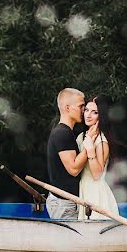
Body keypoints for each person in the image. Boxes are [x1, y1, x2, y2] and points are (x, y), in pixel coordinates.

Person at [46, 88, 90, 220]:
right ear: (67, 108)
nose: (84, 110)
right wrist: (90, 143)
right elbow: (74, 169)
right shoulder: (62, 133)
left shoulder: (66, 132)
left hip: (65, 202)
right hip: (64, 203)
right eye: (81, 106)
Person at [76, 95, 120, 220]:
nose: (88, 115)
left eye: (94, 112)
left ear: (102, 117)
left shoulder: (100, 140)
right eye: (87, 110)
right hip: (85, 189)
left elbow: (97, 175)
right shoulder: (82, 136)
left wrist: (90, 149)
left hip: (96, 194)